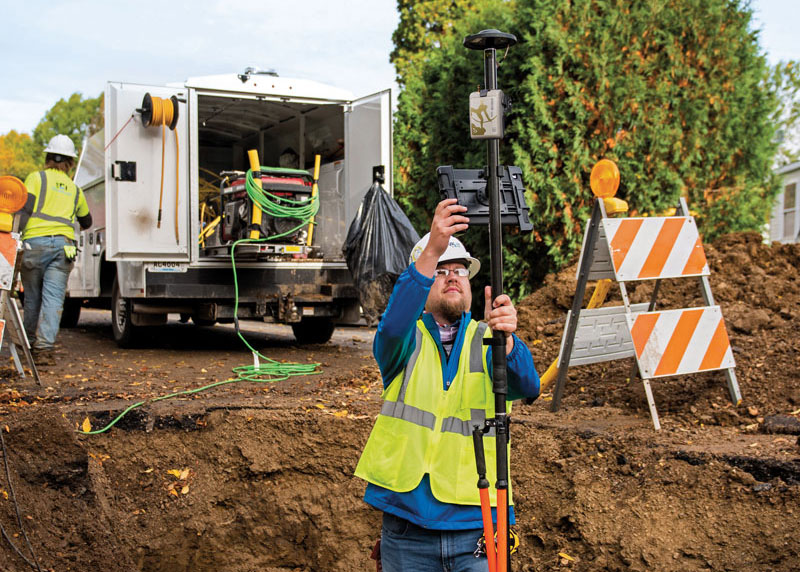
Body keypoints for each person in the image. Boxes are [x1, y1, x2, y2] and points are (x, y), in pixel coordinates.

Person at [355, 198, 540, 572]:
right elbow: (392, 324)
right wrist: (432, 249)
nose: (453, 276)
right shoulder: (404, 343)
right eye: (441, 271)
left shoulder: (488, 340)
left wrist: (507, 339)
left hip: (477, 527)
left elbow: (528, 386)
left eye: (460, 271)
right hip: (407, 529)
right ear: (422, 284)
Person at [18, 134, 92, 365]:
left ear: (48, 157)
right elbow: (87, 221)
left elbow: (25, 211)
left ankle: (28, 344)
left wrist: (15, 237)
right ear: (70, 163)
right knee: (53, 299)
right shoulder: (75, 189)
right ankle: (44, 350)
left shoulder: (35, 179)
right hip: (63, 248)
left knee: (31, 298)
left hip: (33, 245)